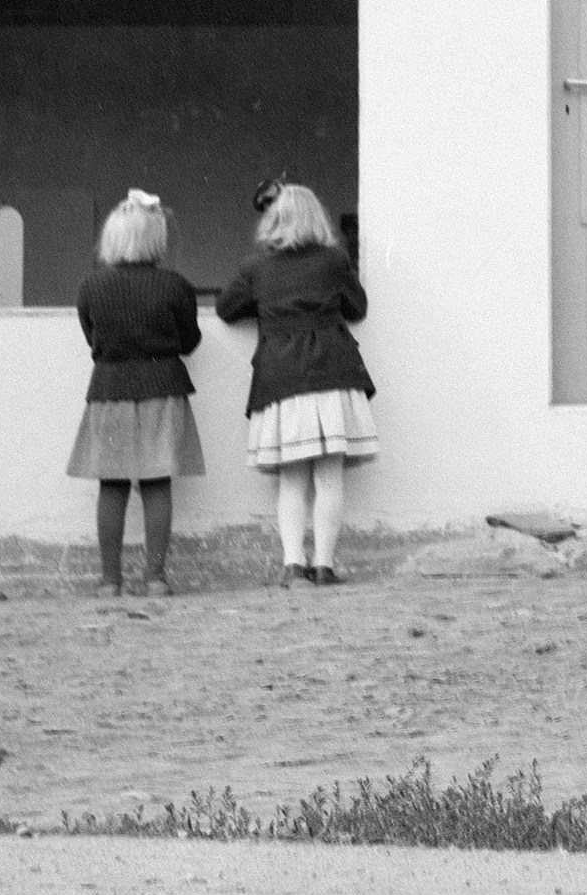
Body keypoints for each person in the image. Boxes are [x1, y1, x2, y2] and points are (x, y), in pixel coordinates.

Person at [216, 178, 374, 587]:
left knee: (291, 480)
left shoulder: (256, 265)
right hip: (333, 369)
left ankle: (292, 566)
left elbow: (227, 310)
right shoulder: (333, 259)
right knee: (328, 477)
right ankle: (324, 565)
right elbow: (357, 307)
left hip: (281, 373)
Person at [67, 188, 206, 597]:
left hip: (109, 390)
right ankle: (156, 579)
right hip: (163, 387)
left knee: (111, 485)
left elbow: (93, 339)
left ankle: (110, 581)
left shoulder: (91, 286)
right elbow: (189, 340)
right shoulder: (175, 285)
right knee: (156, 483)